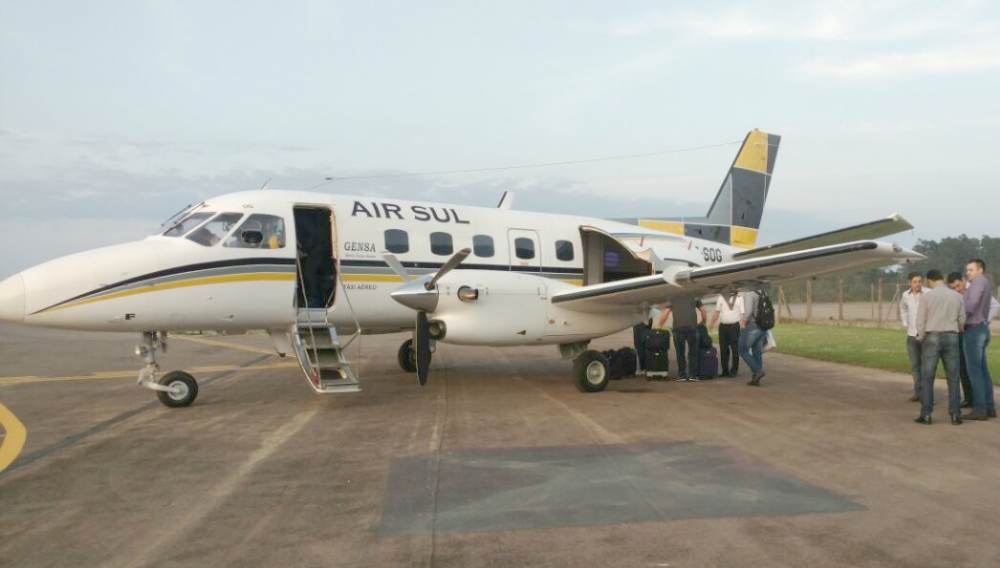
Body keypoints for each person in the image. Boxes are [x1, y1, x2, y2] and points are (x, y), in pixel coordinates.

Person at [914, 269, 966, 425]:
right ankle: (955, 414)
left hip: (932, 336)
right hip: (951, 335)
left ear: (929, 281)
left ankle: (926, 414)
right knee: (953, 377)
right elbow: (962, 318)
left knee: (928, 377)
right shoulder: (957, 296)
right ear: (942, 279)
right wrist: (959, 330)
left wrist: (921, 336)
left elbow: (920, 320)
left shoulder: (926, 297)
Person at [962, 258, 995, 420]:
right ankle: (989, 407)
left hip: (974, 330)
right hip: (982, 327)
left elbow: (972, 302)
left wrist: (961, 317)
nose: (968, 272)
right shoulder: (985, 282)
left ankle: (980, 409)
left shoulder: (977, 282)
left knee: (975, 372)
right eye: (967, 270)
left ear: (980, 270)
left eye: (971, 269)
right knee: (982, 371)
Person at [656, 295, 707, 381]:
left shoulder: (672, 297)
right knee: (693, 352)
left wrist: (659, 325)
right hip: (692, 327)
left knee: (680, 353)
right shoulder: (694, 296)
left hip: (678, 328)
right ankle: (693, 375)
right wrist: (703, 322)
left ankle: (682, 375)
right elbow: (703, 310)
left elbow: (666, 312)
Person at [899, 272, 929, 402]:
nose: (918, 284)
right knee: (915, 365)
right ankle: (918, 392)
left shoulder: (928, 293)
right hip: (911, 335)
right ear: (910, 283)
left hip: (926, 335)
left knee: (927, 366)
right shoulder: (905, 295)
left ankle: (928, 395)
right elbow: (903, 309)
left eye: (919, 281)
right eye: (915, 282)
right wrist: (905, 323)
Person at [946, 273, 973, 408]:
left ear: (963, 280)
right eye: (953, 287)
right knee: (962, 367)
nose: (957, 289)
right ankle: (969, 397)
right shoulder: (955, 296)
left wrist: (981, 321)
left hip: (973, 332)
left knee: (974, 367)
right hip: (960, 334)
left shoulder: (974, 290)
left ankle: (979, 399)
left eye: (958, 285)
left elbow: (994, 305)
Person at [739, 290, 769, 386]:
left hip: (753, 325)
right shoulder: (764, 292)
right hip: (763, 325)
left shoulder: (749, 293)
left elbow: (748, 311)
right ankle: (756, 379)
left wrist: (743, 323)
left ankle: (757, 371)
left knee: (742, 350)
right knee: (757, 351)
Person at [710, 292, 744, 377]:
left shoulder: (740, 298)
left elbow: (742, 313)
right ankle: (725, 371)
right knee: (723, 349)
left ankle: (734, 370)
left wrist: (743, 326)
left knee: (735, 349)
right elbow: (717, 312)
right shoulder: (721, 297)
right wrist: (712, 322)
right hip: (723, 326)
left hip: (734, 326)